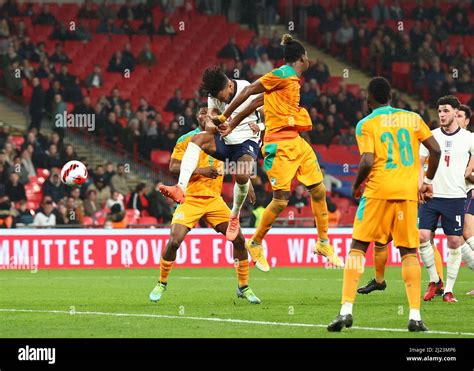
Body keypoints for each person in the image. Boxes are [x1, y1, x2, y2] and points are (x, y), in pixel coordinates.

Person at [209, 35, 342, 271]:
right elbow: (249, 91)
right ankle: (256, 243)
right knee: (280, 201)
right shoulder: (282, 74)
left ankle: (323, 243)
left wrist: (231, 123)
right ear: (303, 58)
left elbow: (252, 105)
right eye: (308, 57)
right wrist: (225, 117)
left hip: (296, 141)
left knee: (319, 190)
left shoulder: (288, 82)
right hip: (279, 145)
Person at [327, 77, 441, 333]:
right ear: (391, 96)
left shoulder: (366, 123)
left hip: (377, 192)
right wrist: (428, 181)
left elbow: (367, 160)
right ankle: (414, 316)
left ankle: (346, 310)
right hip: (407, 194)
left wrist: (357, 185)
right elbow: (435, 150)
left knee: (358, 247)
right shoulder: (413, 118)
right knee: (409, 252)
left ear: (369, 99)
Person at [149, 104, 260, 304]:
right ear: (198, 117)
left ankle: (243, 287)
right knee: (174, 241)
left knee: (239, 240)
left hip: (214, 199)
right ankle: (161, 282)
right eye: (203, 113)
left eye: (211, 114)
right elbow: (174, 167)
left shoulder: (225, 137)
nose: (206, 116)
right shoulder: (187, 139)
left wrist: (247, 181)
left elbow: (236, 159)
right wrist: (201, 171)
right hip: (190, 198)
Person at [159, 67, 264, 253]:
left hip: (246, 141)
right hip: (226, 140)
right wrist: (215, 125)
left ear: (230, 85)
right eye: (216, 97)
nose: (220, 100)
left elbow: (264, 111)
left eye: (222, 95)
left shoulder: (246, 89)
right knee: (197, 139)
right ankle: (179, 188)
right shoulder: (214, 96)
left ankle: (235, 216)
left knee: (241, 175)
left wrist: (260, 125)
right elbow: (209, 125)